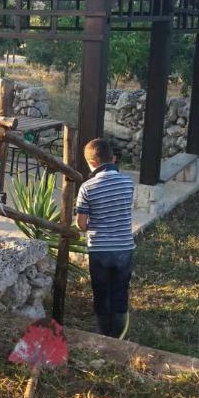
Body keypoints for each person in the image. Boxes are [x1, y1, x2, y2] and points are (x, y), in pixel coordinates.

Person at [75, 137, 135, 338]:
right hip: (124, 248)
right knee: (120, 290)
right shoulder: (128, 183)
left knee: (101, 291)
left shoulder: (87, 187)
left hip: (99, 248)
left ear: (91, 163)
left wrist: (96, 223)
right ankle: (118, 334)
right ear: (114, 158)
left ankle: (103, 334)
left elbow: (81, 224)